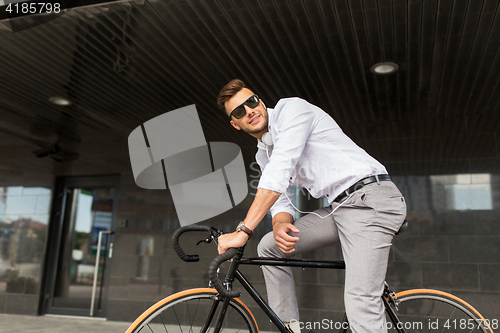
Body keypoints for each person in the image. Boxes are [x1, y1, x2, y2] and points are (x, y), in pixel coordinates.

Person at [216, 79, 407, 333]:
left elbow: (281, 170)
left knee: (361, 302)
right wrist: (281, 225)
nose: (249, 111)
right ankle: (289, 328)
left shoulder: (291, 110)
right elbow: (281, 202)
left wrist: (243, 231)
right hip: (341, 209)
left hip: (369, 199)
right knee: (269, 246)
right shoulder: (263, 155)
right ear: (235, 124)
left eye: (251, 102)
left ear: (260, 102)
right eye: (239, 111)